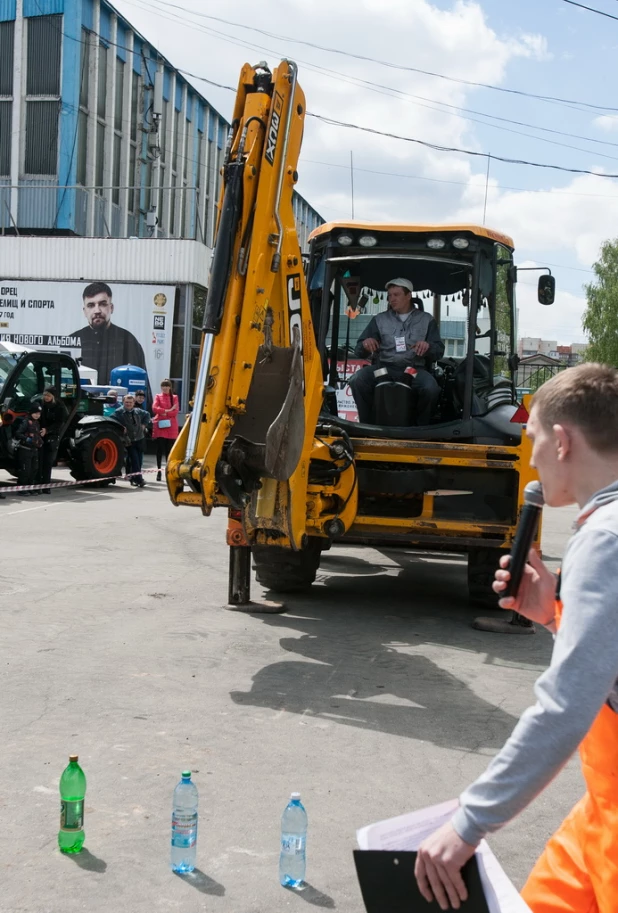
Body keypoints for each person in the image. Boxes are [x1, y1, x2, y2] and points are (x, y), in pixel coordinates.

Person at [414, 363, 618, 912]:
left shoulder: (606, 538)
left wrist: (470, 822)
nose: (528, 458)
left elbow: (566, 703)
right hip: (602, 811)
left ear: (564, 440)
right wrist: (552, 615)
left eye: (532, 439)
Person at [349, 278, 444, 425]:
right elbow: (359, 350)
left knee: (430, 388)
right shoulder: (379, 319)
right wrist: (366, 345)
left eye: (396, 295)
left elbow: (439, 351)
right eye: (390, 295)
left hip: (413, 369)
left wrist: (428, 347)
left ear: (408, 296)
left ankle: (420, 429)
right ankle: (367, 425)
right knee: (358, 380)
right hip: (383, 368)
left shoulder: (426, 320)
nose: (391, 299)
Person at [72, 282, 147, 385]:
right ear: (85, 311)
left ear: (111, 308)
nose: (97, 310)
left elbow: (141, 386)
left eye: (102, 304)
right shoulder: (73, 340)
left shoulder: (128, 341)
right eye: (91, 305)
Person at [113, 394, 149, 487]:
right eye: (126, 402)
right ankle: (139, 480)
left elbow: (147, 415)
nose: (128, 404)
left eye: (130, 402)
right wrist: (120, 427)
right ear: (123, 402)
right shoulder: (119, 412)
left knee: (139, 460)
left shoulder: (138, 411)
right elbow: (111, 420)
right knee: (134, 460)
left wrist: (144, 425)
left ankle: (134, 478)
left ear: (134, 403)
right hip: (129, 440)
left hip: (139, 438)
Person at [38, 386, 68, 494]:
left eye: (48, 396)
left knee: (47, 462)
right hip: (40, 434)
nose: (46, 397)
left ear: (53, 396)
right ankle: (37, 485)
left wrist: (48, 430)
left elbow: (59, 423)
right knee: (39, 461)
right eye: (45, 395)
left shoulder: (59, 407)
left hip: (52, 436)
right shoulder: (40, 404)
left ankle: (46, 486)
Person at [152, 378, 179, 482]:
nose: (165, 388)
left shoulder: (174, 397)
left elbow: (175, 411)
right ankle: (159, 471)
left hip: (171, 426)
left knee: (169, 450)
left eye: (167, 386)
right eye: (163, 386)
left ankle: (168, 472)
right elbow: (155, 408)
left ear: (170, 387)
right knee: (159, 449)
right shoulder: (158, 396)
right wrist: (168, 410)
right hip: (161, 425)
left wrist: (163, 412)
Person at [13, 403, 44, 495]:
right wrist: (26, 439)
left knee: (34, 469)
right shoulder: (26, 422)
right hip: (25, 449)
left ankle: (30, 488)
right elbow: (18, 433)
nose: (37, 415)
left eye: (39, 414)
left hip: (34, 450)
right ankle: (22, 489)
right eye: (35, 413)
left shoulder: (37, 423)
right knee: (25, 470)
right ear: (31, 413)